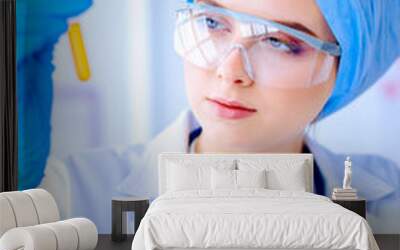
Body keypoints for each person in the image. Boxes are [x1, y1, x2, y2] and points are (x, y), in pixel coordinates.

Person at [40, 0, 400, 234]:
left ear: (349, 69)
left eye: (279, 41)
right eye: (212, 22)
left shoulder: (391, 207)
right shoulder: (66, 193)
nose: (230, 72)